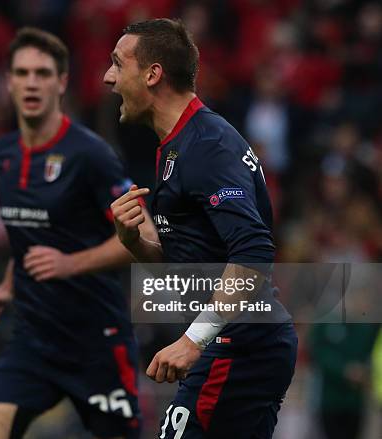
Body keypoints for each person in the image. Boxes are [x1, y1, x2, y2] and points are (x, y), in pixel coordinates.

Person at [105, 18, 298, 438]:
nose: (108, 77)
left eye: (118, 64)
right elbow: (188, 270)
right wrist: (134, 240)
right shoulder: (177, 144)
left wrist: (193, 341)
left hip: (240, 345)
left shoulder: (206, 146)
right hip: (243, 342)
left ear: (153, 74)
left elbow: (253, 254)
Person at [0, 27, 156, 439]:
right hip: (33, 340)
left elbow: (142, 234)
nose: (32, 82)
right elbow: (29, 237)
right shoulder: (2, 154)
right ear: (9, 81)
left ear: (62, 81)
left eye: (43, 73)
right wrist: (8, 285)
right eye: (22, 73)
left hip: (96, 340)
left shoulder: (90, 154)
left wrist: (70, 263)